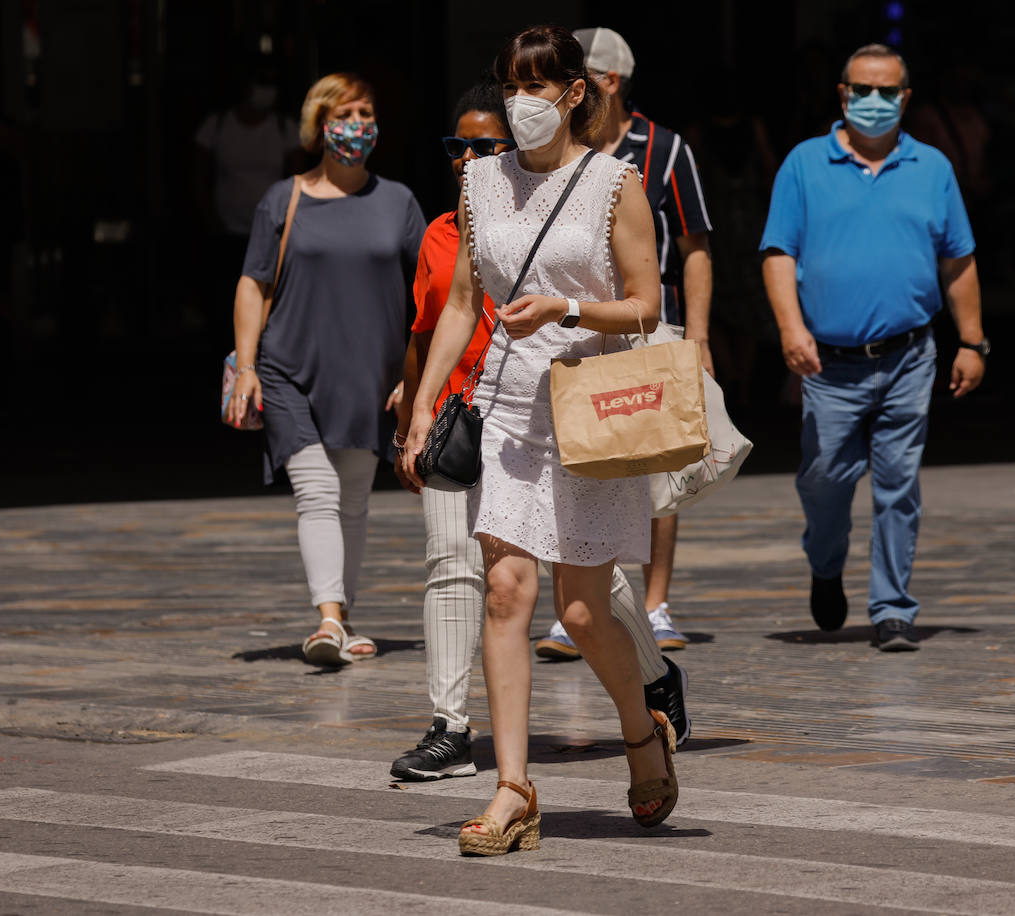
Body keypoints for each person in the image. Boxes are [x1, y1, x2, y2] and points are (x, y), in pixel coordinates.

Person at [400, 25, 677, 856]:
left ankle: (642, 730)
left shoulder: (613, 184)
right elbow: (458, 307)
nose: (521, 102)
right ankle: (513, 788)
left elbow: (646, 305)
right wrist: (420, 409)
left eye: (536, 85)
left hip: (588, 414)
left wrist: (567, 309)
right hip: (509, 417)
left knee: (586, 612)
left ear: (574, 92)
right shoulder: (481, 182)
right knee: (505, 594)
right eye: (509, 85)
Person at [759, 43, 987, 652]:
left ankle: (893, 608)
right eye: (863, 90)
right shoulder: (804, 165)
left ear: (906, 98)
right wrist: (790, 329)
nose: (875, 102)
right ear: (843, 94)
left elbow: (958, 260)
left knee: (898, 484)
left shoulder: (932, 167)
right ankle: (826, 561)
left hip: (910, 356)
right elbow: (779, 253)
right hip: (828, 363)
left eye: (888, 92)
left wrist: (972, 341)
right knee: (825, 478)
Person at [225, 73, 426, 667]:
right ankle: (328, 619)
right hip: (287, 367)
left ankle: (343, 612)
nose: (358, 125)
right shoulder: (281, 199)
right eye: (345, 113)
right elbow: (253, 282)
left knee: (355, 499)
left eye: (367, 112)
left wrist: (413, 375)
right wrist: (247, 366)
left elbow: (430, 292)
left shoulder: (398, 202)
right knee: (316, 490)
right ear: (319, 124)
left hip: (368, 373)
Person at [533, 27, 713, 660]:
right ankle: (581, 604)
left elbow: (694, 250)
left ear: (605, 82)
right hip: (571, 329)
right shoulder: (558, 148)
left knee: (657, 469)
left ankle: (655, 601)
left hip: (643, 327)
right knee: (578, 462)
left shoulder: (664, 150)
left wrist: (698, 337)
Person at [194, 60, 301, 325]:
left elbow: (299, 181)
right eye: (261, 83)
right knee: (226, 302)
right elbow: (198, 176)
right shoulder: (217, 125)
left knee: (268, 305)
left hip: (272, 233)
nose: (267, 91)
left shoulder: (284, 128)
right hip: (226, 231)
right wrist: (209, 217)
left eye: (271, 84)